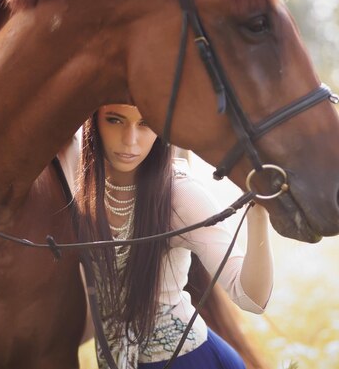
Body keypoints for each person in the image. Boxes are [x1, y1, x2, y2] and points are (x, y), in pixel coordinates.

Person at [73, 104, 273, 369]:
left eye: (146, 123)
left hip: (188, 360)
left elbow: (252, 298)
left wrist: (259, 216)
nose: (130, 140)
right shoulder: (79, 183)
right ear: (93, 121)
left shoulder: (180, 195)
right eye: (115, 120)